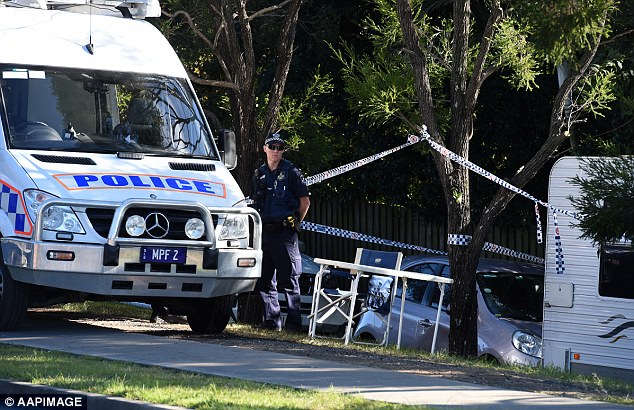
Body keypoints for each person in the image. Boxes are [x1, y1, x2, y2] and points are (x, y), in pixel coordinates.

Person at [250, 131, 310, 331]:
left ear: (283, 150)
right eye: (272, 147)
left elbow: (305, 202)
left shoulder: (291, 172)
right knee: (265, 280)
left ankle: (294, 324)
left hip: (284, 234)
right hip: (264, 233)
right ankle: (271, 322)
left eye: (279, 148)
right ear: (265, 149)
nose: (276, 151)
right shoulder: (259, 173)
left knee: (290, 279)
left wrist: (294, 223)